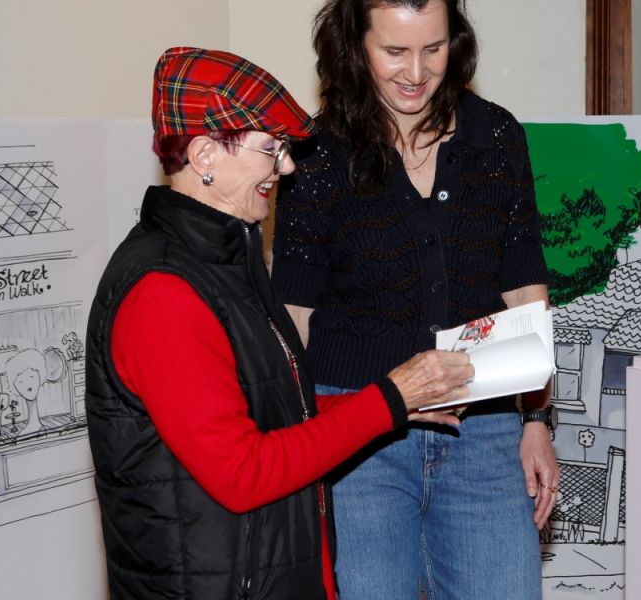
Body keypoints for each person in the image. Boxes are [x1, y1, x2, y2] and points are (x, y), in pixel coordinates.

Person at [85, 46, 473, 600]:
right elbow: (242, 473)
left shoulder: (225, 266)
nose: (287, 166)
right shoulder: (162, 292)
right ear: (204, 155)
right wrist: (389, 397)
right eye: (271, 148)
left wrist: (401, 404)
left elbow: (277, 419)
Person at [271, 0, 559, 599]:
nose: (415, 71)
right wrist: (296, 456)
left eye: (433, 49)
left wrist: (539, 420)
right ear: (355, 45)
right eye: (393, 51)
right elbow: (293, 317)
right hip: (358, 438)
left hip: (485, 429)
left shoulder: (495, 138)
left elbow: (524, 288)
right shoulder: (315, 158)